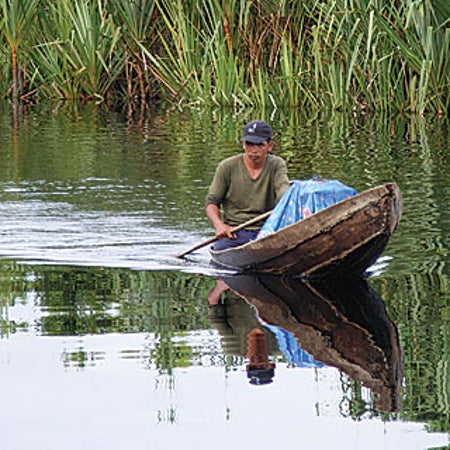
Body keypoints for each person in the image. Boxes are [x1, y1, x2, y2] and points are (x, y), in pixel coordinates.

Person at [205, 120, 290, 250]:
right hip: (235, 232)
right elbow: (212, 202)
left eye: (260, 145)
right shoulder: (227, 166)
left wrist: (287, 204)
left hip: (267, 229)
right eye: (249, 144)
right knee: (221, 249)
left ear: (270, 146)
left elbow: (283, 193)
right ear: (243, 145)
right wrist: (219, 225)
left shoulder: (276, 165)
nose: (254, 150)